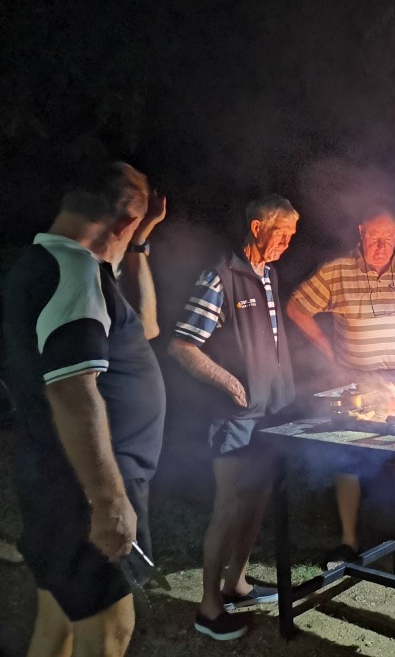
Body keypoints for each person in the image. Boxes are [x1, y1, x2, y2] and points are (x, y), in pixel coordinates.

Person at [3, 162, 167, 657]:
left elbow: (147, 327)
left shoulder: (47, 265)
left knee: (59, 624)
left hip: (53, 478)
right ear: (123, 221)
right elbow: (73, 392)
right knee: (108, 631)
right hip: (85, 488)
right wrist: (109, 501)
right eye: (133, 227)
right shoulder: (74, 271)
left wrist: (140, 241)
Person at [287, 207, 395, 568]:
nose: (381, 246)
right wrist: (326, 348)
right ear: (360, 232)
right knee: (348, 456)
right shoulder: (337, 271)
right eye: (374, 238)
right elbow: (297, 307)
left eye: (388, 238)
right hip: (357, 381)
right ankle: (349, 541)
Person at [168, 195, 299, 641]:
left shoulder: (268, 274)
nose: (287, 242)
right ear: (258, 228)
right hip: (233, 415)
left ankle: (237, 584)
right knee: (229, 504)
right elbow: (182, 345)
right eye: (282, 233)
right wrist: (229, 382)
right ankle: (209, 607)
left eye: (292, 235)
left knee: (258, 497)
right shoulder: (219, 277)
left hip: (269, 412)